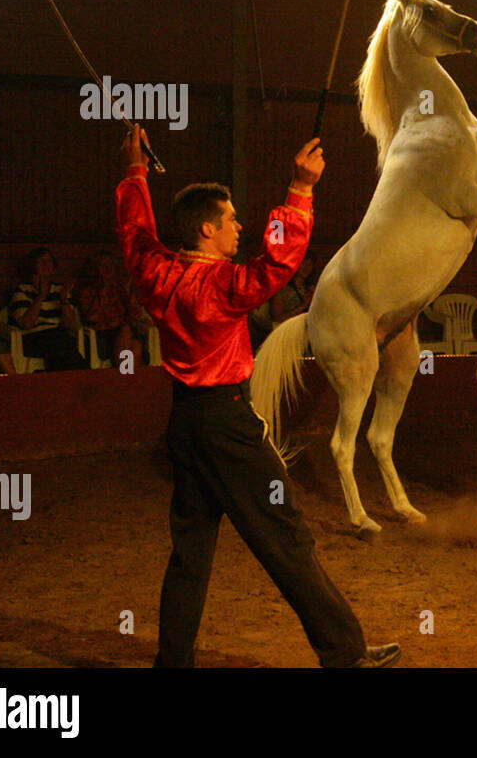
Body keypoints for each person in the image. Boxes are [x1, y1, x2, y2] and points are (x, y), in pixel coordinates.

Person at [116, 124, 398, 668]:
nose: (239, 226)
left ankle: (172, 664)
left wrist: (134, 169)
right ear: (205, 229)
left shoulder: (156, 272)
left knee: (191, 554)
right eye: (230, 220)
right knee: (285, 538)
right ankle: (345, 654)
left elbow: (134, 233)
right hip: (230, 429)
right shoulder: (221, 286)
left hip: (186, 425)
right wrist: (299, 189)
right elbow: (278, 263)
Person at [7, 248, 90, 371]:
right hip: (32, 338)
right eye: (41, 262)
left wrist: (63, 300)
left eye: (49, 261)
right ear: (32, 266)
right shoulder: (22, 291)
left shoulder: (59, 290)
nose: (46, 265)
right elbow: (27, 324)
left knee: (64, 342)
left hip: (59, 337)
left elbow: (71, 326)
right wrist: (41, 296)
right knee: (58, 343)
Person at [74, 251, 148, 366]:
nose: (108, 268)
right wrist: (101, 294)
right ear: (95, 269)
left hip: (121, 332)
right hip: (100, 335)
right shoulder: (87, 291)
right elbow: (91, 317)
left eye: (110, 265)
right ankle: (127, 376)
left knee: (136, 345)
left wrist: (132, 301)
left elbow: (132, 312)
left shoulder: (118, 288)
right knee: (128, 335)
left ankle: (127, 377)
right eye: (103, 265)